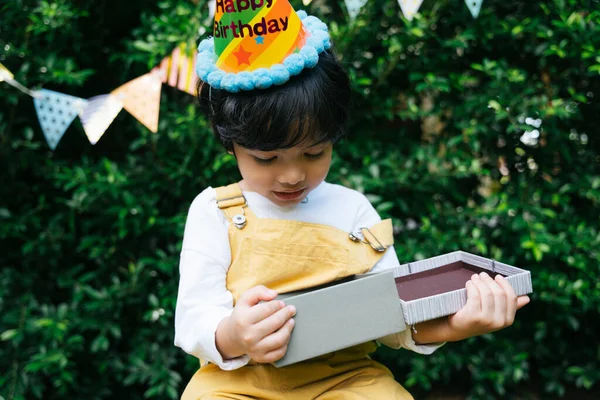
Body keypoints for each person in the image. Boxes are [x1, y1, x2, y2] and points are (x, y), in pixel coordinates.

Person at [175, 2, 530, 398]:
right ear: (231, 144)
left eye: (314, 153)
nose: (293, 175)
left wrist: (457, 324)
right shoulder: (214, 211)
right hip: (238, 383)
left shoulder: (352, 208)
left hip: (345, 378)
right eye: (266, 159)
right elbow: (195, 315)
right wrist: (235, 334)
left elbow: (394, 315)